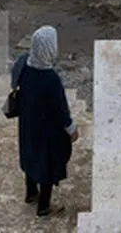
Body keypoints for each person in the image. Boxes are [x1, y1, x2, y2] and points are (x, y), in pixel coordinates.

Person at [11, 26, 79, 218]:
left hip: (28, 123)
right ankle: (44, 207)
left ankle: (31, 193)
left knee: (31, 155)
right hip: (47, 131)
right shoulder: (50, 79)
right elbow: (60, 110)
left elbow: (14, 82)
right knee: (47, 165)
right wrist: (71, 129)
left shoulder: (23, 63)